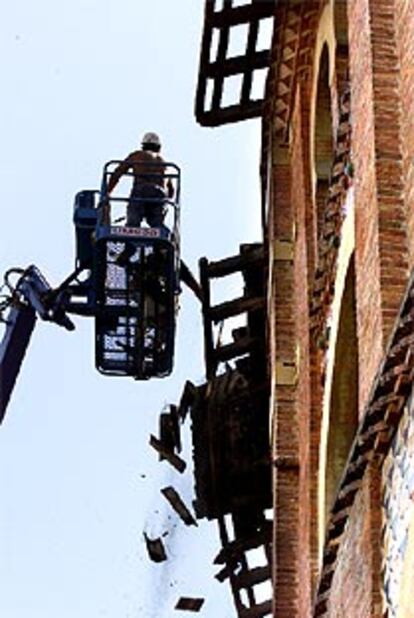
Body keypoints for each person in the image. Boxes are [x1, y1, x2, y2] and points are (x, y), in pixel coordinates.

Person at [106, 132, 173, 228]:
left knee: (133, 222)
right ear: (159, 147)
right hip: (159, 195)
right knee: (156, 224)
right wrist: (166, 202)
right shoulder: (164, 163)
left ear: (143, 145)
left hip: (141, 190)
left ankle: (130, 237)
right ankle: (167, 237)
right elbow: (171, 191)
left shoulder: (137, 155)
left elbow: (118, 172)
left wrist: (108, 191)